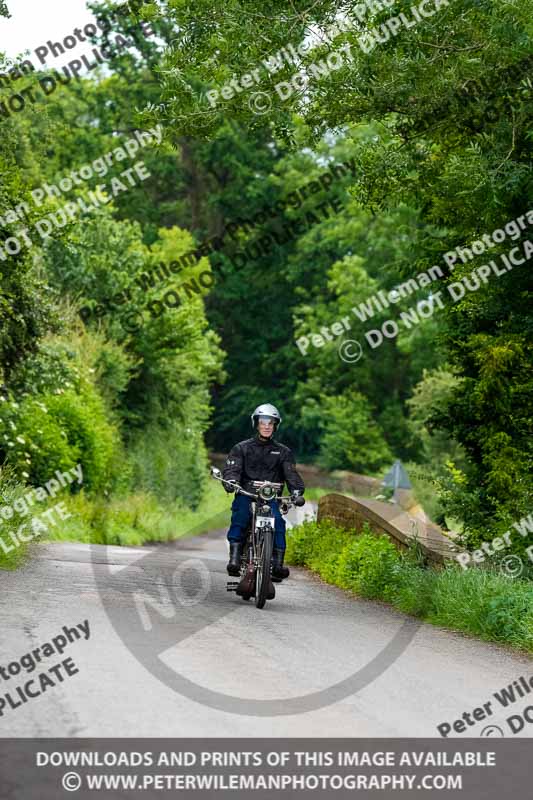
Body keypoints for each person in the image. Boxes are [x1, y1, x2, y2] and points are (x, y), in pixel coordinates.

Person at [222, 403, 305, 581]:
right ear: (256, 424)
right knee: (240, 516)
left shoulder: (284, 452)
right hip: (247, 494)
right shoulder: (241, 448)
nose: (267, 426)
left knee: (279, 523)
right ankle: (235, 558)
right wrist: (231, 482)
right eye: (263, 422)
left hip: (270, 498)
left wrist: (297, 492)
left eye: (271, 422)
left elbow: (291, 475)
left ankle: (277, 564)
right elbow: (232, 470)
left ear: (275, 426)